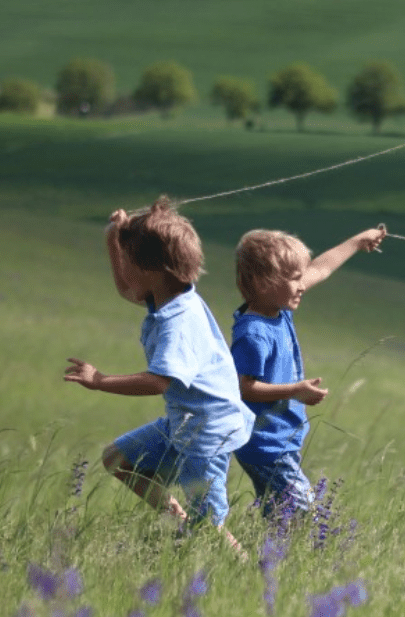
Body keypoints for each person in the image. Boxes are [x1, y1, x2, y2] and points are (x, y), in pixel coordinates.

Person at [63, 197, 255, 548]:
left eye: (129, 259)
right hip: (183, 422)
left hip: (207, 434)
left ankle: (254, 579)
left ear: (151, 270)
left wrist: (100, 381)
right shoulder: (169, 297)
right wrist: (114, 239)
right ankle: (175, 519)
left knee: (209, 528)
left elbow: (158, 381)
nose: (126, 268)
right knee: (118, 460)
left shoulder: (178, 322)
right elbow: (127, 288)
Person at [231, 225, 385, 515]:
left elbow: (321, 268)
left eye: (301, 277)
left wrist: (356, 240)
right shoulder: (253, 333)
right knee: (305, 516)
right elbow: (242, 387)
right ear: (263, 282)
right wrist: (295, 391)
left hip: (280, 439)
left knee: (281, 518)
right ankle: (283, 557)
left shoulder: (278, 307)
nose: (303, 285)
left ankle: (268, 559)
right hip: (264, 445)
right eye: (294, 279)